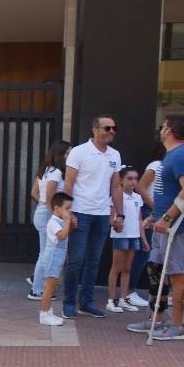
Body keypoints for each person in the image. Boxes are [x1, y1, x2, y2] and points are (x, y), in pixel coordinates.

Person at [127, 114, 184, 341]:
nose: (160, 129)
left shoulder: (182, 155)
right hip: (166, 225)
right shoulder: (174, 155)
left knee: (177, 274)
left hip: (178, 227)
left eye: (163, 126)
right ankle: (155, 320)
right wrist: (156, 217)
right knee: (157, 272)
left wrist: (166, 219)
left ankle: (177, 326)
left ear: (168, 131)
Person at [61, 115, 124, 319]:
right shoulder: (79, 152)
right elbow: (69, 183)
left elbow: (116, 186)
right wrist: (68, 212)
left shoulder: (115, 155)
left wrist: (120, 214)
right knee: (76, 259)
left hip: (102, 213)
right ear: (95, 130)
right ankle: (69, 302)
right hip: (80, 211)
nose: (112, 131)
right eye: (107, 128)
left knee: (93, 261)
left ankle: (86, 302)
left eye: (114, 128)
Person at [27, 140, 71, 300]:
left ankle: (37, 285)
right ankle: (37, 290)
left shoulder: (45, 170)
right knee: (46, 253)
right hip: (48, 214)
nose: (69, 156)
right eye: (67, 153)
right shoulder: (57, 172)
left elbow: (34, 192)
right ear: (60, 154)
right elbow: (52, 195)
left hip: (42, 211)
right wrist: (53, 212)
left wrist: (42, 202)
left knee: (44, 252)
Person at [127, 142, 166, 306]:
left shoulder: (165, 166)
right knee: (144, 252)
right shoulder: (156, 165)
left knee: (158, 254)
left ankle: (163, 292)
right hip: (150, 213)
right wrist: (155, 208)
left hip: (159, 214)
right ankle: (129, 290)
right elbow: (141, 187)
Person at [106, 167, 148, 312]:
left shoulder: (137, 197)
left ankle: (124, 298)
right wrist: (115, 222)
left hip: (134, 236)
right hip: (121, 235)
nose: (133, 182)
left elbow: (139, 219)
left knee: (128, 268)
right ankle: (111, 300)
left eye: (136, 179)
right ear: (121, 180)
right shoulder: (116, 197)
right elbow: (111, 217)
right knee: (116, 267)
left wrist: (143, 239)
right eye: (129, 179)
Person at [37, 193, 74, 326]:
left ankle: (48, 311)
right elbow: (62, 236)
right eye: (67, 208)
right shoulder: (53, 222)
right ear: (57, 209)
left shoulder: (60, 221)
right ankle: (44, 314)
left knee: (52, 286)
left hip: (57, 258)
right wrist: (69, 221)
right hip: (52, 258)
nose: (70, 212)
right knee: (49, 287)